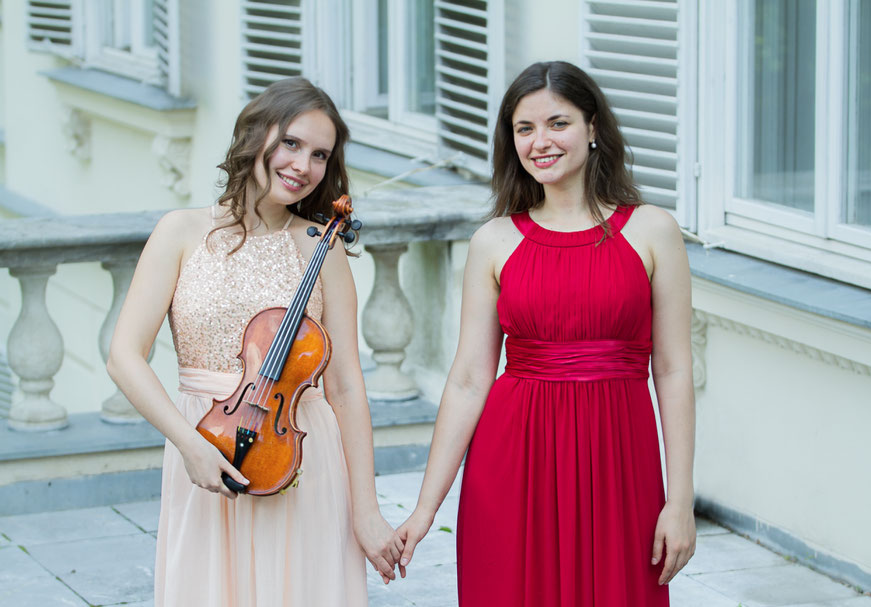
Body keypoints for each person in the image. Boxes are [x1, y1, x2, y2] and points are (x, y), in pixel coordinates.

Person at [396, 61, 696, 605]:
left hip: (620, 461)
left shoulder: (653, 231)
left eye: (558, 123)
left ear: (593, 127)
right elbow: (467, 379)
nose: (541, 142)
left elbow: (673, 370)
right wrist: (425, 508)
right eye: (524, 129)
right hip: (513, 459)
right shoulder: (493, 241)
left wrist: (680, 501)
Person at [107, 77, 402, 607]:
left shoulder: (321, 247)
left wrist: (366, 509)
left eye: (319, 154)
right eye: (291, 142)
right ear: (255, 135)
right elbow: (124, 357)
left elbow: (348, 388)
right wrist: (189, 444)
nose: (303, 166)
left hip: (302, 451)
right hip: (205, 442)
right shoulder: (180, 232)